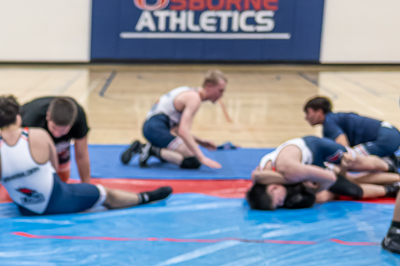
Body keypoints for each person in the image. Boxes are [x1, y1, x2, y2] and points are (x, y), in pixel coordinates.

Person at [0, 96, 172, 217]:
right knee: (105, 194)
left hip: (25, 208)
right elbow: (54, 170)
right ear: (19, 117)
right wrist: (85, 188)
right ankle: (144, 198)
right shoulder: (39, 134)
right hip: (55, 199)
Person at [246, 137, 399, 210]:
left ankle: (389, 164)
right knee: (346, 185)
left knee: (356, 165)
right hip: (306, 164)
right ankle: (392, 187)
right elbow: (255, 178)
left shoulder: (291, 172)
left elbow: (330, 178)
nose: (282, 203)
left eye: (278, 201)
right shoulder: (261, 178)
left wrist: (318, 189)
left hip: (318, 149)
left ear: (273, 188)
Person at [120, 70, 227, 170]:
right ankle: (148, 149)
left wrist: (200, 141)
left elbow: (176, 130)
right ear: (209, 86)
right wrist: (202, 158)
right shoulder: (194, 99)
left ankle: (151, 149)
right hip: (155, 129)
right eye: (220, 90)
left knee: (186, 153)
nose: (221, 95)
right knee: (193, 161)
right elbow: (183, 131)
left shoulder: (190, 92)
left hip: (153, 127)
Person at [304, 97, 400, 164]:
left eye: (308, 112)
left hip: (385, 139)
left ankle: (391, 168)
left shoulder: (329, 122)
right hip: (390, 134)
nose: (306, 117)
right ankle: (391, 160)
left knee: (350, 160)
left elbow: (344, 149)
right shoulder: (335, 117)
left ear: (319, 112)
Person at [19, 96, 92, 183]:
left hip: (60, 144)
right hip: (35, 140)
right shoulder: (30, 119)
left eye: (62, 131)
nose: (57, 134)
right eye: (54, 127)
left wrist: (87, 184)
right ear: (48, 116)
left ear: (72, 124)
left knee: (62, 179)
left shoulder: (79, 118)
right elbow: (18, 153)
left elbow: (81, 155)